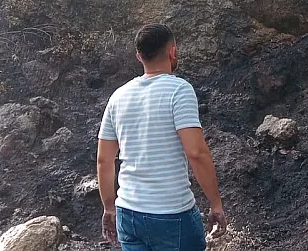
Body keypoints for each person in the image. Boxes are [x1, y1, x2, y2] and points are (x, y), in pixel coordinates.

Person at [97, 24, 227, 251]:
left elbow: (104, 160)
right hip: (172, 214)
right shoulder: (179, 90)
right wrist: (215, 204)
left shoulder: (118, 96)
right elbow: (196, 153)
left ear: (139, 57)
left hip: (128, 213)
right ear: (173, 52)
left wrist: (109, 207)